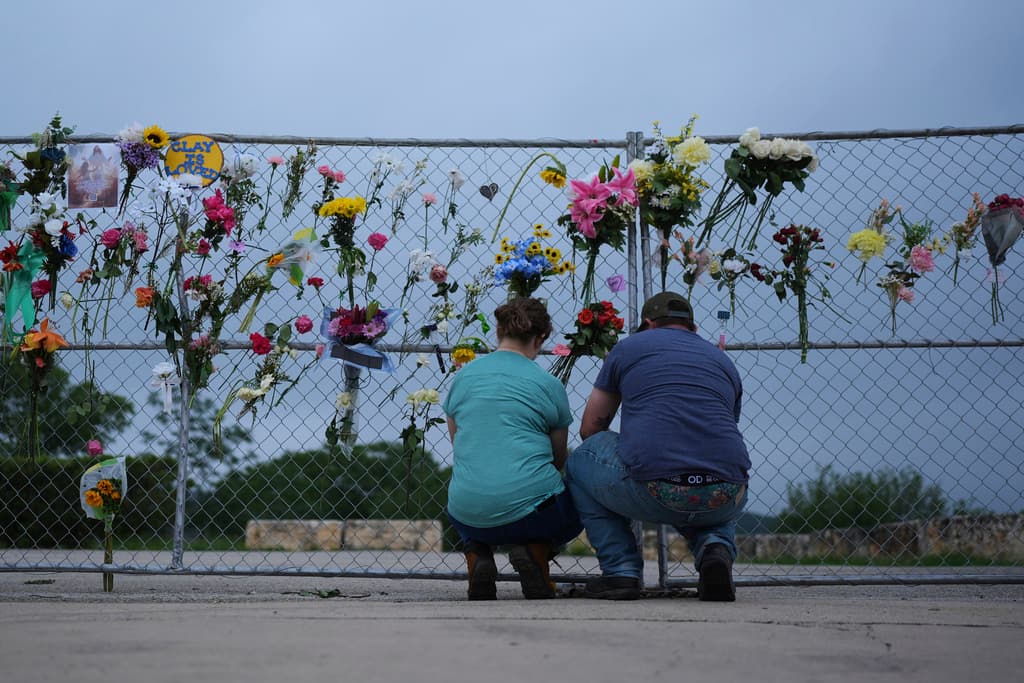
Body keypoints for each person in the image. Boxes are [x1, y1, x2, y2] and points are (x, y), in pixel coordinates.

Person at [566, 291, 751, 601]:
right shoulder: (722, 360)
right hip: (727, 493)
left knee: (581, 459)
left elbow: (590, 428)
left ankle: (621, 571)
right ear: (693, 328)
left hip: (655, 489)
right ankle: (714, 548)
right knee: (710, 471)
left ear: (648, 324)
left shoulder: (628, 348)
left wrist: (633, 448)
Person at [443, 297, 582, 600]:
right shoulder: (549, 384)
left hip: (468, 511)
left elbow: (460, 444)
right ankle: (534, 550)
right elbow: (558, 458)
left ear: (498, 331)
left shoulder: (462, 378)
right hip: (532, 514)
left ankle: (477, 553)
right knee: (575, 503)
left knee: (469, 489)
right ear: (540, 338)